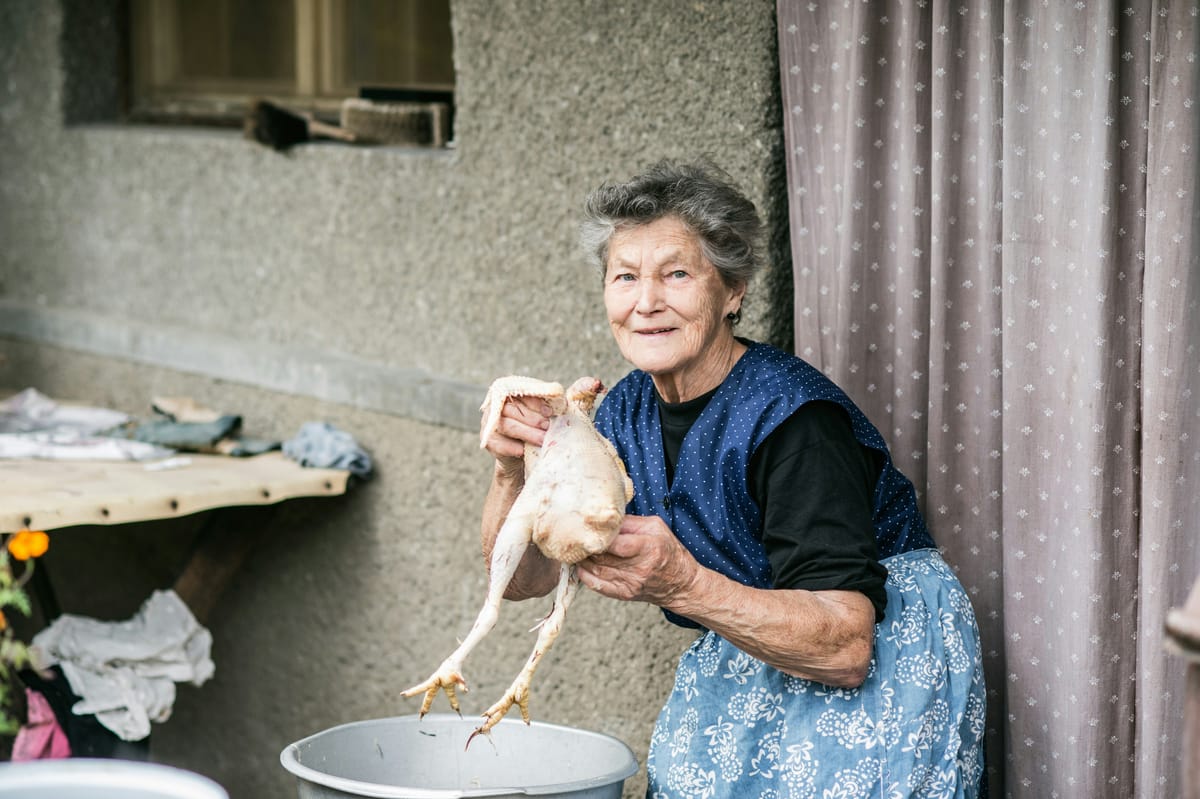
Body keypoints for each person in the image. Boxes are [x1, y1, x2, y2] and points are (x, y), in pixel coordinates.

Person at [479, 159, 986, 798]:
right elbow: (527, 580)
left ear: (734, 290)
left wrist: (683, 584)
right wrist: (510, 472)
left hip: (874, 646)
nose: (645, 303)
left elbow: (848, 649)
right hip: (753, 632)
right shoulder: (624, 409)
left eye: (677, 275)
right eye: (625, 276)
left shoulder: (795, 421)